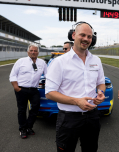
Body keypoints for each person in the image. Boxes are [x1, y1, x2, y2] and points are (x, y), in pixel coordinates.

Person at [45, 23, 105, 152]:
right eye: (82, 35)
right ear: (73, 35)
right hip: (68, 118)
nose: (86, 39)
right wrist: (76, 101)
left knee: (91, 149)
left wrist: (100, 93)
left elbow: (101, 83)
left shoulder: (96, 60)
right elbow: (49, 93)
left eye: (89, 36)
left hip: (92, 116)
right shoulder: (59, 62)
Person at [9, 44, 47, 139]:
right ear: (28, 52)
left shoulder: (42, 63)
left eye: (35, 51)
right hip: (21, 89)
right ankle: (22, 129)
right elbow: (12, 75)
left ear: (38, 52)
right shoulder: (21, 61)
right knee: (22, 110)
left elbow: (48, 75)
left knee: (35, 109)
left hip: (34, 90)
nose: (33, 52)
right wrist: (16, 88)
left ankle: (29, 127)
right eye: (31, 50)